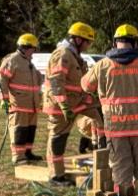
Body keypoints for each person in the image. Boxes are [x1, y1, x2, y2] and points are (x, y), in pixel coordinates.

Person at [81, 24, 138, 196]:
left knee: (120, 169)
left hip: (116, 128)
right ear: (136, 43)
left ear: (114, 43)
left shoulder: (102, 65)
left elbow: (86, 86)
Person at [43, 22, 102, 185]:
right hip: (60, 104)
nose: (88, 45)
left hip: (77, 100)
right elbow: (56, 82)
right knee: (58, 137)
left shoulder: (75, 55)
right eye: (87, 42)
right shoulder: (62, 55)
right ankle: (56, 175)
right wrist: (64, 106)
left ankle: (102, 156)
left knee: (100, 118)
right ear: (77, 39)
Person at [0, 33, 44, 165]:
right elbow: (2, 80)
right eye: (33, 48)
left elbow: (38, 80)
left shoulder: (28, 62)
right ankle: (18, 156)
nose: (34, 51)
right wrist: (4, 99)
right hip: (19, 104)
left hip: (32, 106)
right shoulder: (12, 60)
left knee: (30, 130)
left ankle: (28, 153)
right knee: (19, 130)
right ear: (26, 47)